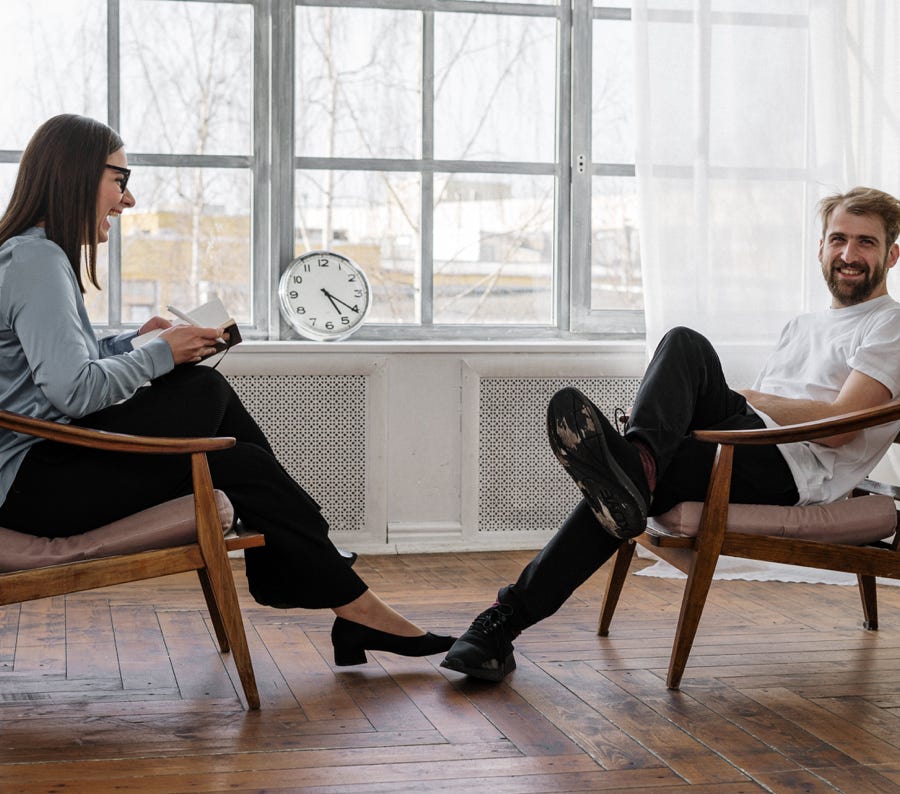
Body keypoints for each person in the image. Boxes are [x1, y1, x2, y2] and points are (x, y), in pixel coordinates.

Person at [0, 114, 454, 667]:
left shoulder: (32, 256)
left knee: (234, 452)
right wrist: (162, 353)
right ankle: (334, 581)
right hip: (32, 487)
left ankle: (351, 605)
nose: (129, 198)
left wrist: (131, 344)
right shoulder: (37, 260)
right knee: (202, 392)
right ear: (77, 174)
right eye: (120, 178)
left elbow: (47, 370)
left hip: (40, 468)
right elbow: (71, 392)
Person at [441, 185, 900, 682]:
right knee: (683, 344)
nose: (848, 255)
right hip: (748, 442)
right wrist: (742, 405)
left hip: (792, 469)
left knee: (630, 480)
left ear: (892, 254)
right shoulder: (802, 324)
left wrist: (750, 397)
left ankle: (504, 620)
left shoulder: (890, 324)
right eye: (838, 239)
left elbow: (837, 430)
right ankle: (637, 463)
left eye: (866, 243)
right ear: (821, 248)